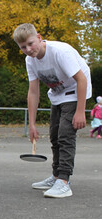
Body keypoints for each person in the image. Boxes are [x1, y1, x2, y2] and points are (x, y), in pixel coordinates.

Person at [13, 23, 92, 198]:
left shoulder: (59, 52)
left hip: (75, 91)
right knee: (54, 135)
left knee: (65, 135)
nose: (28, 49)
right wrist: (32, 124)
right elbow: (33, 91)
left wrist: (80, 111)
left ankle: (64, 181)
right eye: (23, 47)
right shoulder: (30, 60)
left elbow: (82, 79)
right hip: (57, 94)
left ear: (39, 38)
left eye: (31, 43)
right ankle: (56, 175)